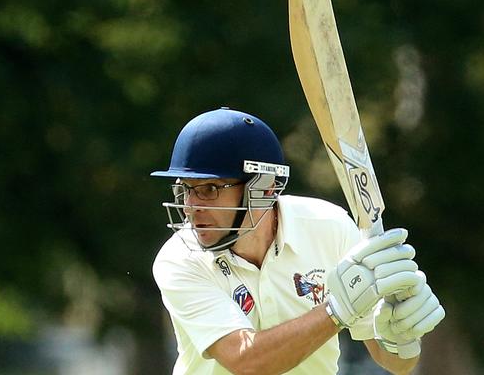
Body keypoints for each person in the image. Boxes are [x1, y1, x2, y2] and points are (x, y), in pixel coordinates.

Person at [151, 107, 445, 375]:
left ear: (264, 187)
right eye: (186, 189)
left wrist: (401, 340)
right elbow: (247, 361)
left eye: (210, 188)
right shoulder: (180, 258)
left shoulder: (330, 228)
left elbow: (396, 363)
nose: (191, 206)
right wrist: (335, 311)